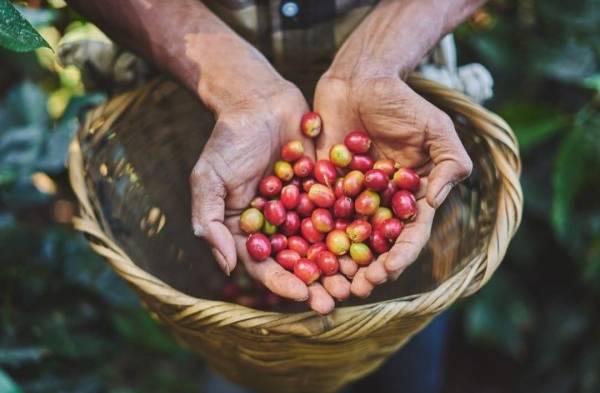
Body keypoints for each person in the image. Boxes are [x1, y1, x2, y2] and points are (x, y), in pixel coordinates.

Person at [65, 0, 477, 315]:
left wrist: (377, 61)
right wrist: (233, 82)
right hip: (182, 101)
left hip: (400, 91)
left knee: (412, 308)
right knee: (228, 324)